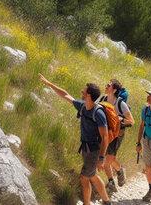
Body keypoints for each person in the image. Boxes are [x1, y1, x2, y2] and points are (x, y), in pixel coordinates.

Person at [39, 74, 112, 205]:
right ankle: (107, 201)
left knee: (85, 177)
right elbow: (66, 95)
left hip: (94, 151)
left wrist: (101, 158)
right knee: (92, 175)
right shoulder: (83, 106)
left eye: (84, 91)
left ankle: (87, 203)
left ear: (89, 95)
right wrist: (49, 84)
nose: (81, 92)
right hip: (85, 149)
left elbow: (105, 137)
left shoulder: (98, 113)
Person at [101, 79, 135, 193]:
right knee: (110, 159)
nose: (106, 86)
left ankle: (111, 184)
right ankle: (120, 171)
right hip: (105, 133)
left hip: (117, 135)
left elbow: (131, 121)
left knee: (107, 161)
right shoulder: (102, 99)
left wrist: (120, 120)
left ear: (114, 90)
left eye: (109, 85)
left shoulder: (121, 103)